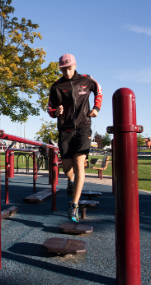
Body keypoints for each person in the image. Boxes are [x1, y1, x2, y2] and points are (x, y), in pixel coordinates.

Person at [47, 53, 102, 223]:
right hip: (65, 129)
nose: (67, 73)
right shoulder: (56, 86)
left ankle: (74, 204)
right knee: (67, 168)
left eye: (69, 69)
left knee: (80, 163)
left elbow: (99, 91)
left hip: (84, 128)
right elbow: (50, 109)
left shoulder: (86, 80)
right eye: (63, 70)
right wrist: (56, 112)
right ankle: (71, 180)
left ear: (75, 66)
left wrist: (96, 108)